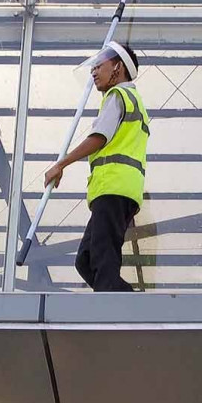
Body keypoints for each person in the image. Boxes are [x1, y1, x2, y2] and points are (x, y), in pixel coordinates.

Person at [43, 42, 149, 292]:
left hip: (114, 187)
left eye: (99, 66)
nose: (93, 72)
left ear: (118, 67)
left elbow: (99, 137)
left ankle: (109, 311)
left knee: (103, 259)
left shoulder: (118, 96)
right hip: (117, 189)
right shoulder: (133, 101)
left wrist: (62, 164)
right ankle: (125, 299)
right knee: (86, 260)